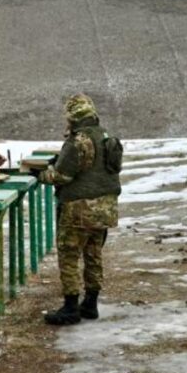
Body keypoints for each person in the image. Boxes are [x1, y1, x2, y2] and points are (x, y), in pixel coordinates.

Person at [35, 94, 122, 326]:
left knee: (69, 256)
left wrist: (39, 173)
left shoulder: (78, 141)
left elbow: (61, 176)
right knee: (94, 255)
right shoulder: (106, 137)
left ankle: (71, 307)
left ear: (72, 117)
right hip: (105, 209)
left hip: (78, 209)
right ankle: (90, 304)